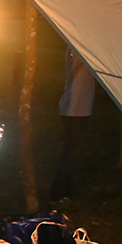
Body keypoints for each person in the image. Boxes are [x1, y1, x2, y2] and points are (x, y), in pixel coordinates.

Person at [48, 46, 95, 202]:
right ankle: (58, 192)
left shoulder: (78, 47)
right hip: (73, 109)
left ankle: (64, 190)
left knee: (73, 152)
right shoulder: (76, 48)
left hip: (79, 109)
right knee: (70, 152)